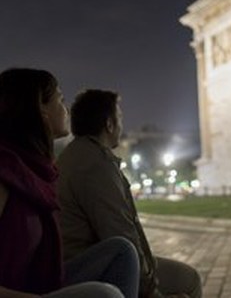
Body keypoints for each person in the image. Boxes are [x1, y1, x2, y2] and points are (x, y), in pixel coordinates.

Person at [0, 68, 139, 298]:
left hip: (36, 283)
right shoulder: (6, 173)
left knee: (121, 250)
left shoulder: (38, 170)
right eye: (60, 99)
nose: (66, 110)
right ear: (40, 108)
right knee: (104, 295)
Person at [57, 89, 202, 298]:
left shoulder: (77, 155)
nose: (122, 124)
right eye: (120, 117)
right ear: (109, 124)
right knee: (188, 280)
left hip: (93, 260)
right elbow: (119, 233)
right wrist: (153, 292)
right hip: (97, 268)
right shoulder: (95, 165)